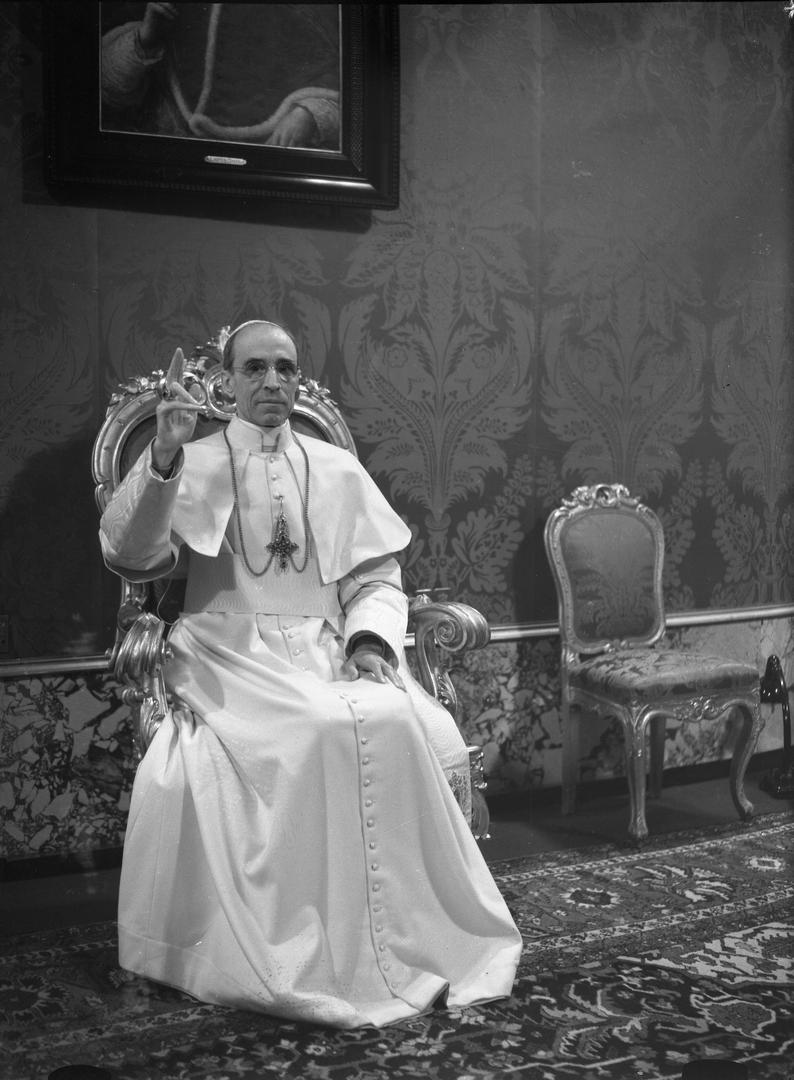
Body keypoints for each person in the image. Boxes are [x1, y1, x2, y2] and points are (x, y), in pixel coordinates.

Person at [99, 319, 522, 1028]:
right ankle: (308, 945)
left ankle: (401, 937)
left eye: (286, 368)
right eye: (255, 368)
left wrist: (370, 642)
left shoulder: (336, 469)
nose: (273, 382)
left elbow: (378, 579)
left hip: (326, 648)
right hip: (227, 651)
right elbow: (130, 556)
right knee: (323, 727)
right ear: (226, 382)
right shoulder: (191, 461)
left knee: (395, 715)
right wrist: (165, 453)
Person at [100, 3, 340, 149]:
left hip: (268, 148)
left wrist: (310, 113)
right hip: (170, 145)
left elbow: (346, 69)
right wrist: (145, 39)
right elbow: (106, 90)